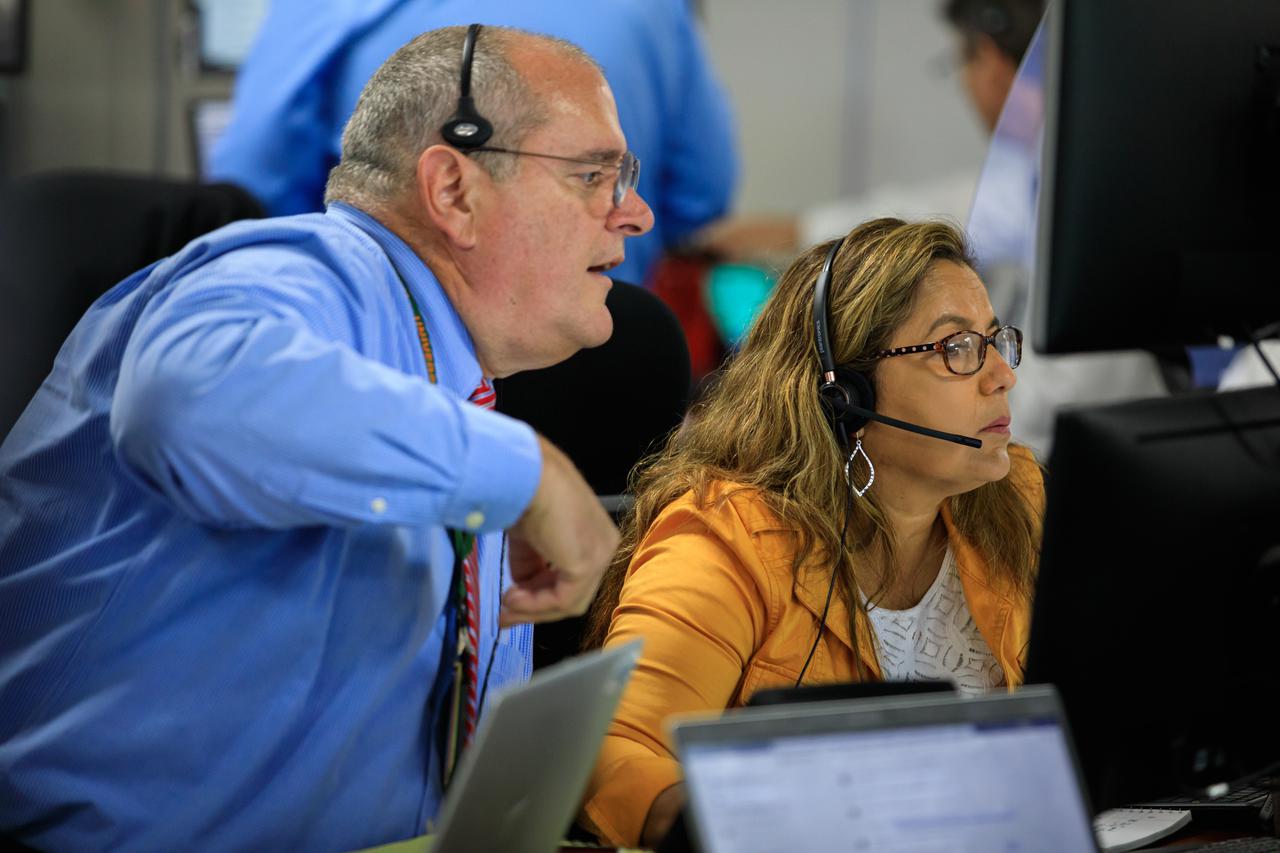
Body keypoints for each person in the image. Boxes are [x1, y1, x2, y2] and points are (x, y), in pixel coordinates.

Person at [0, 25, 649, 852]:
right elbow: (187, 393)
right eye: (594, 175)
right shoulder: (307, 274)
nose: (636, 213)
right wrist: (529, 474)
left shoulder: (458, 405)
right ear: (453, 190)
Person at [577, 218, 1044, 848]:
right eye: (956, 348)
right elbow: (616, 753)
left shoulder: (1016, 498)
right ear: (844, 392)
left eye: (995, 341)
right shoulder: (724, 537)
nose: (1001, 376)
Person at [209, 0, 737, 288]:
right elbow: (703, 193)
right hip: (604, 347)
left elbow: (248, 186)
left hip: (397, 357)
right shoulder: (658, 9)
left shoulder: (322, 11)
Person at [694, 0, 1045, 259]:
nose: (966, 85)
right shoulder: (1035, 165)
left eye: (961, 65)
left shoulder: (1040, 182)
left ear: (988, 58)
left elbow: (942, 220)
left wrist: (788, 233)